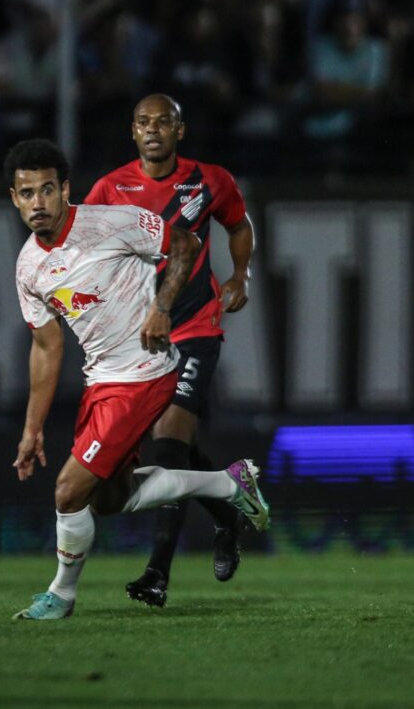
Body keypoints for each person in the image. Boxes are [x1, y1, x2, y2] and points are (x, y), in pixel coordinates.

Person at [7, 138, 269, 620]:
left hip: (145, 372)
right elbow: (46, 348)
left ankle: (61, 596)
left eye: (47, 190)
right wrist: (32, 428)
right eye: (27, 193)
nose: (37, 203)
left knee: (68, 490)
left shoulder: (112, 221)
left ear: (65, 190)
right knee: (109, 499)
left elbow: (186, 244)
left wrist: (161, 308)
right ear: (14, 198)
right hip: (101, 381)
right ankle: (229, 485)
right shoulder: (29, 267)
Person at [83, 93, 255, 607]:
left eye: (163, 122)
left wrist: (239, 274)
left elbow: (239, 226)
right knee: (174, 449)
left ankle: (157, 574)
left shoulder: (210, 180)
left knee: (169, 440)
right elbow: (87, 250)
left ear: (180, 131)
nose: (153, 129)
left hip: (195, 326)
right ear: (132, 132)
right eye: (143, 122)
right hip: (138, 335)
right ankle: (228, 511)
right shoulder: (110, 189)